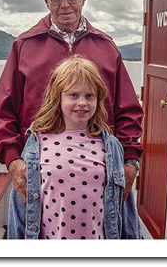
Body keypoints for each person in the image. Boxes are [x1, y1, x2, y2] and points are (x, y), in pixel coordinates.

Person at [0, 0, 144, 216]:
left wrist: (130, 163)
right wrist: (14, 161)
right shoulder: (24, 45)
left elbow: (128, 111)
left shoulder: (106, 47)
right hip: (37, 174)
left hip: (102, 174)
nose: (65, 4)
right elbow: (1, 113)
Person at [8, 55, 141, 239]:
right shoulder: (36, 143)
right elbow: (21, 204)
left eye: (89, 96)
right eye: (73, 95)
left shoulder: (111, 146)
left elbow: (124, 208)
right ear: (58, 97)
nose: (82, 103)